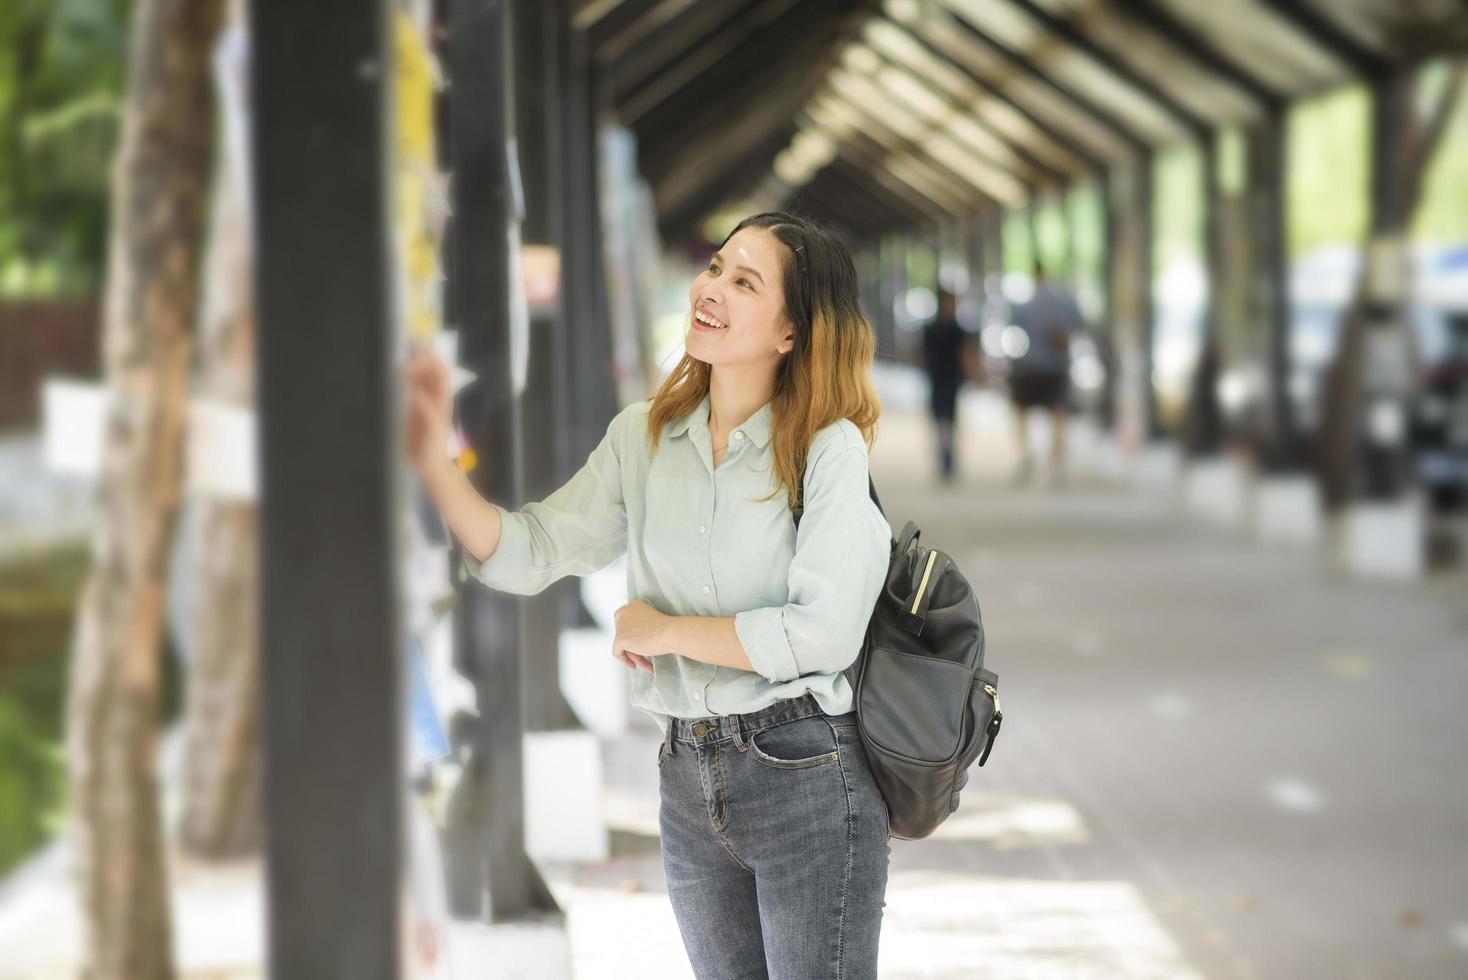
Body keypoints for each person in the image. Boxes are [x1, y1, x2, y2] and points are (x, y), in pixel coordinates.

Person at [404, 211, 893, 979]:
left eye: (744, 281)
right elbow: (531, 550)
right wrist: (431, 456)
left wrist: (662, 630)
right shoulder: (643, 437)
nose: (713, 287)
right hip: (688, 780)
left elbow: (822, 635)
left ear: (790, 334)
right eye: (716, 267)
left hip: (805, 773)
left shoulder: (827, 448)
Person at [1009, 262, 1083, 485]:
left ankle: (1026, 453)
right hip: (1056, 367)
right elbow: (1078, 326)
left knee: (1022, 411)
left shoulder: (1026, 305)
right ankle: (1057, 462)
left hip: (1030, 365)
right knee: (1058, 413)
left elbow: (1015, 328)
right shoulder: (1066, 302)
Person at [921, 288, 978, 483]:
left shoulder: (931, 327)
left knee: (941, 421)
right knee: (948, 420)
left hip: (938, 378)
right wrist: (971, 374)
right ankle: (948, 459)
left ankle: (945, 459)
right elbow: (965, 354)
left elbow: (922, 354)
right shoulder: (956, 328)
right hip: (949, 379)